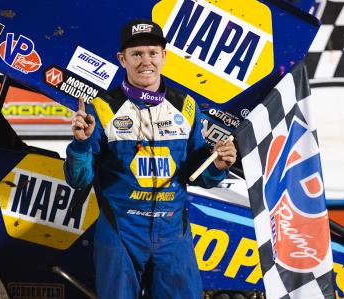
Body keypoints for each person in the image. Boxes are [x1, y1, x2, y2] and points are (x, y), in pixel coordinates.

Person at [64, 18, 237, 299]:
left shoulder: (187, 107)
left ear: (164, 56)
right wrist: (80, 145)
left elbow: (197, 173)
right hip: (121, 233)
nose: (146, 61)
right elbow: (78, 179)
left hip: (173, 235)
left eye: (152, 53)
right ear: (122, 59)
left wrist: (217, 166)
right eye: (136, 54)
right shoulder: (102, 109)